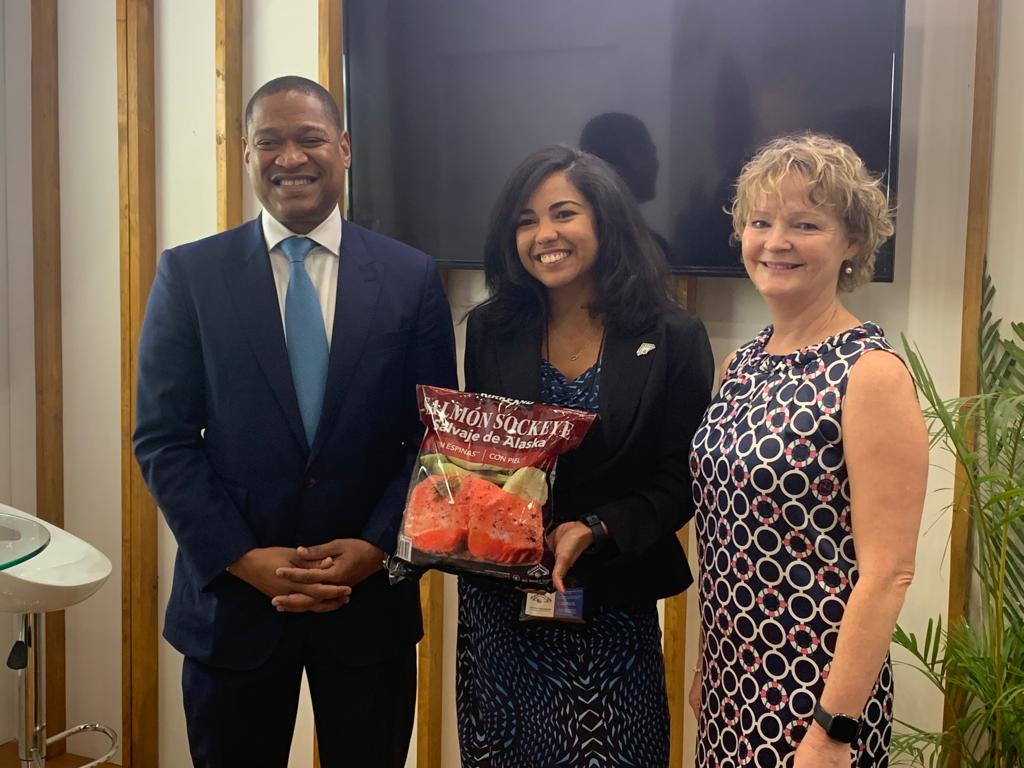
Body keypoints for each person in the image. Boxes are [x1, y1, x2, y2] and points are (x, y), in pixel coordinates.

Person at [133, 75, 456, 768]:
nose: (290, 158)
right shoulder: (189, 276)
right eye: (269, 142)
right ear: (246, 156)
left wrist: (375, 548)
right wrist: (242, 558)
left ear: (342, 149)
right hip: (233, 609)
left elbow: (434, 441)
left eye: (309, 139)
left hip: (369, 607)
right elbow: (163, 438)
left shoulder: (411, 278)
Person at [459, 145, 714, 767]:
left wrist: (597, 529)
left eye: (563, 213)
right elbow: (487, 459)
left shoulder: (673, 334)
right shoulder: (492, 327)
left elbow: (680, 479)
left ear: (605, 220)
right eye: (525, 220)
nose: (544, 234)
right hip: (502, 610)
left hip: (610, 602)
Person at [688, 133, 928, 767]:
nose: (776, 242)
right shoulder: (742, 363)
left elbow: (888, 572)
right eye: (760, 222)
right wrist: (710, 667)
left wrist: (832, 730)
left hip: (818, 696)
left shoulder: (871, 373)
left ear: (851, 242)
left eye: (805, 224)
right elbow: (731, 533)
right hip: (731, 686)